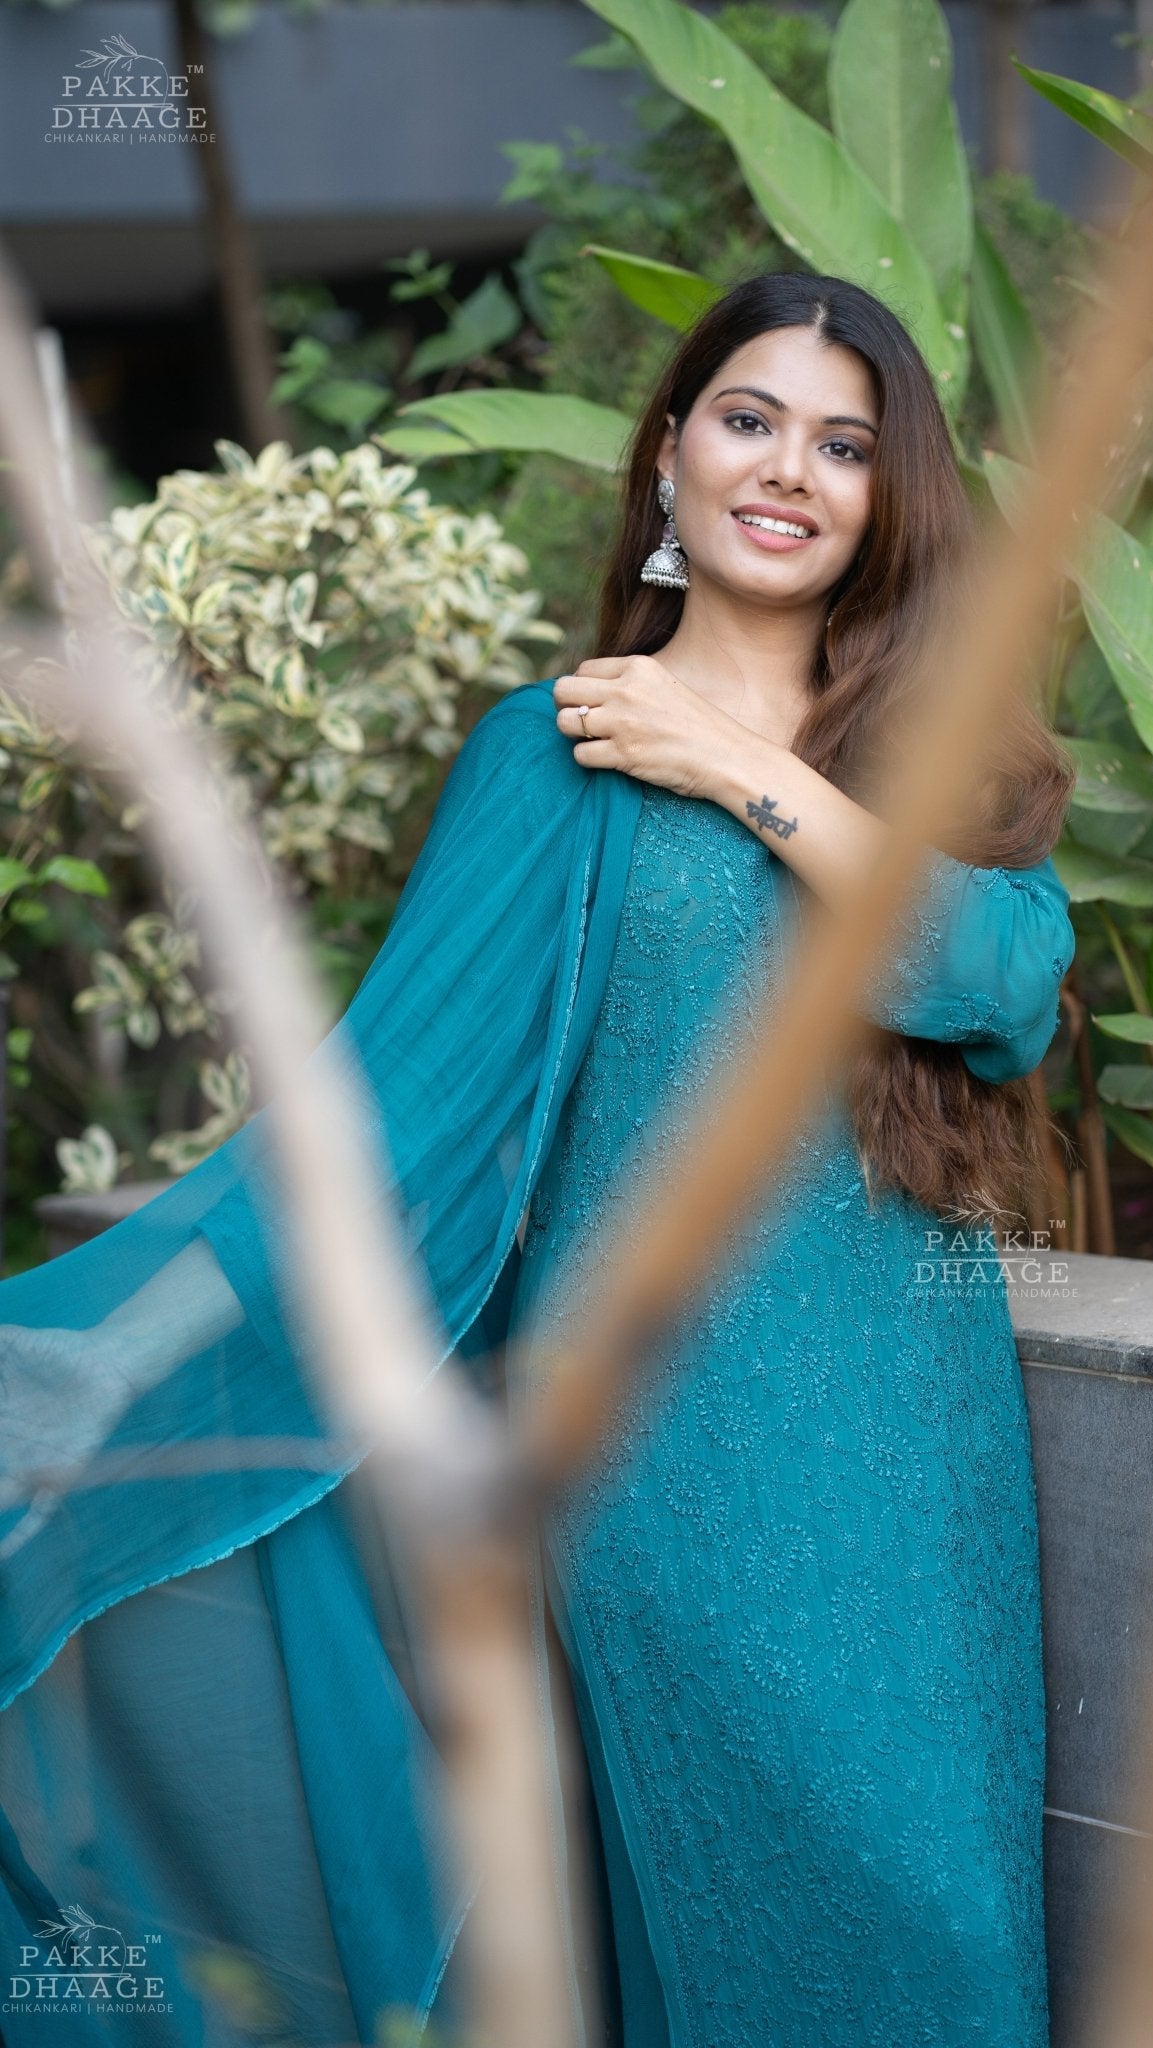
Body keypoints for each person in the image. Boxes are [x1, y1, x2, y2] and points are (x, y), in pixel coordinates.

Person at [0, 272, 1076, 2047]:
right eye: (747, 420)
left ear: (888, 500)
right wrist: (104, 1361)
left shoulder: (915, 762)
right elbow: (379, 1127)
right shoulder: (555, 750)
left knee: (952, 1934)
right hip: (672, 1457)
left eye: (842, 445)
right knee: (774, 1926)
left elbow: (996, 984)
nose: (785, 469)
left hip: (921, 1458)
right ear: (667, 455)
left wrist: (730, 760)